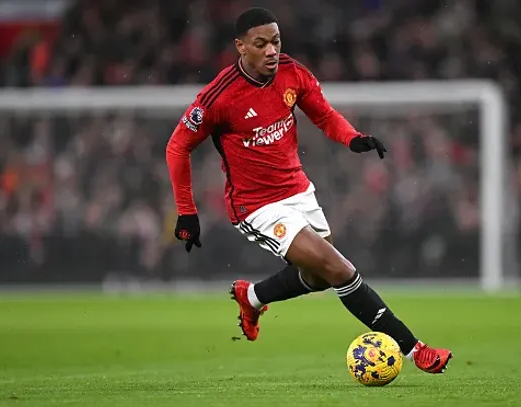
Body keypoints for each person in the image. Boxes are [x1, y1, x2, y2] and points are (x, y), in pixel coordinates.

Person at [165, 7, 452, 373]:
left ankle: (251, 296)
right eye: (261, 44)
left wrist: (353, 139)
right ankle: (415, 349)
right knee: (339, 268)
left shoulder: (292, 73)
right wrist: (187, 210)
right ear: (240, 47)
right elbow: (177, 147)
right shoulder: (218, 97)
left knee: (318, 276)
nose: (271, 50)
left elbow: (324, 114)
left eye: (276, 41)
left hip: (299, 191)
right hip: (257, 206)